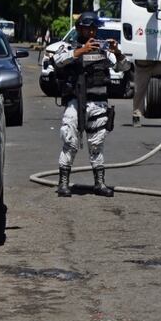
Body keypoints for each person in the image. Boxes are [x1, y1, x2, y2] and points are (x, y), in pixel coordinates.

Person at [53, 12, 130, 197]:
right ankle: (63, 183)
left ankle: (99, 183)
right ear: (80, 29)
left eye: (95, 28)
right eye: (89, 28)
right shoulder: (69, 46)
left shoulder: (102, 50)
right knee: (70, 142)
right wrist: (81, 51)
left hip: (98, 105)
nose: (93, 31)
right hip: (75, 103)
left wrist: (117, 52)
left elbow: (124, 68)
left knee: (97, 145)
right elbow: (58, 60)